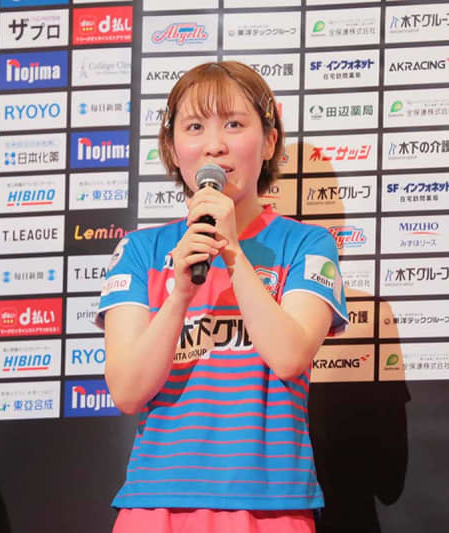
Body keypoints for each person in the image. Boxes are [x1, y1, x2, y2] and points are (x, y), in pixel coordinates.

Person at [97, 61, 348, 533]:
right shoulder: (140, 251)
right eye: (195, 127)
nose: (214, 144)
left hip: (269, 506)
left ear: (269, 142)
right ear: (172, 149)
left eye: (234, 124)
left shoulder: (306, 244)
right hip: (156, 505)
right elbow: (127, 392)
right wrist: (179, 294)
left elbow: (290, 357)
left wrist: (232, 253)